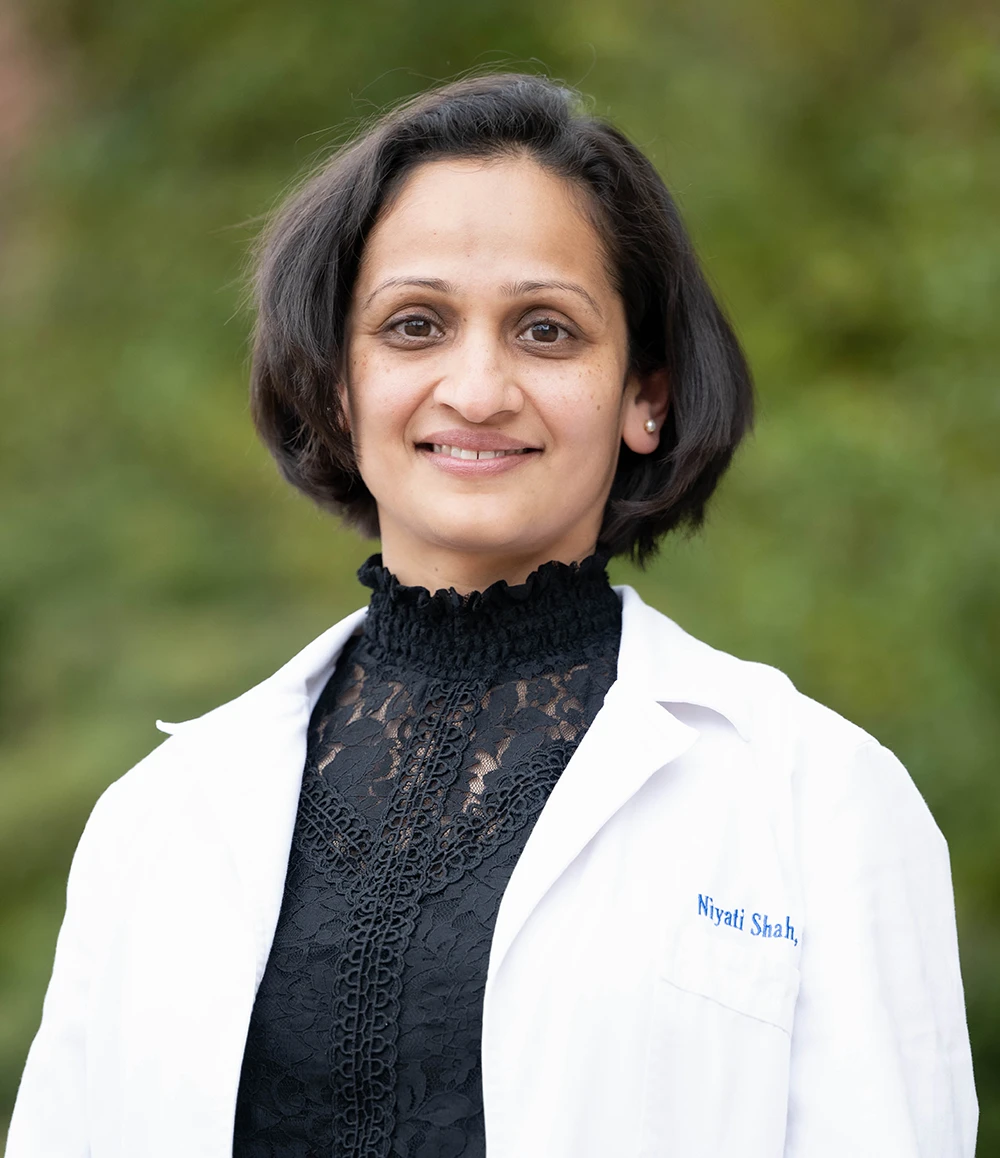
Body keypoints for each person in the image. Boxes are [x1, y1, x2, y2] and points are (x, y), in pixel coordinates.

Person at [8, 72, 976, 1158]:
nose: (476, 389)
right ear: (338, 382)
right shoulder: (160, 819)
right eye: (414, 325)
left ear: (644, 395)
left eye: (546, 331)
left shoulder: (819, 804)